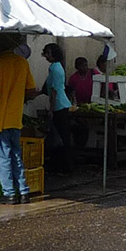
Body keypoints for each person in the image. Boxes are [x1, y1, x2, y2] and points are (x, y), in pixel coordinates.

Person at [0, 32, 37, 204]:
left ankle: (9, 193)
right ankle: (23, 191)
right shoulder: (22, 63)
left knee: (2, 157)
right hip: (15, 118)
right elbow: (31, 90)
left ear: (1, 45)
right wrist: (17, 97)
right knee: (16, 155)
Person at [40, 43, 74, 173]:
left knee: (60, 138)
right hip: (62, 104)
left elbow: (54, 91)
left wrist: (51, 110)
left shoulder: (54, 68)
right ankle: (64, 166)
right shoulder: (57, 67)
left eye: (49, 53)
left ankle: (64, 166)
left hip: (59, 106)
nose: (47, 56)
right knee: (63, 136)